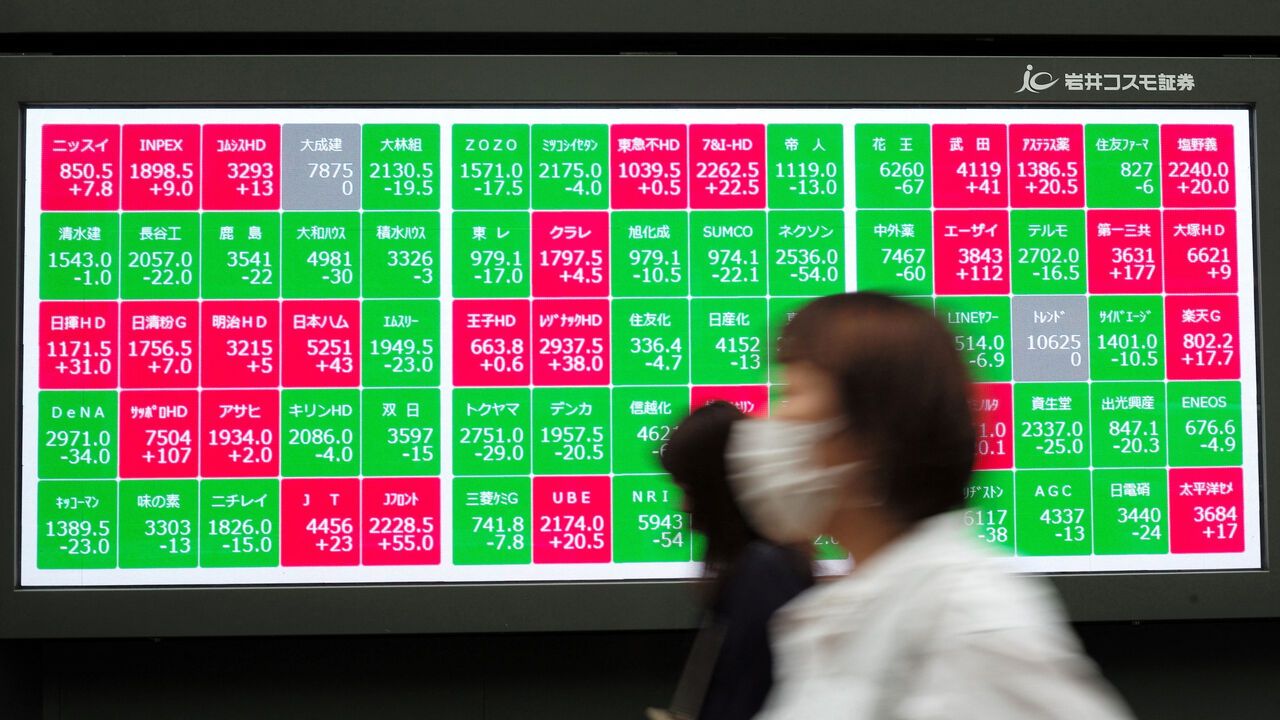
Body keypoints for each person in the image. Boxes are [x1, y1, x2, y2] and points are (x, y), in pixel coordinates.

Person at [727, 292, 1134, 720]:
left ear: (870, 428)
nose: (768, 422)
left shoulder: (967, 620)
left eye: (791, 393)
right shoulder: (858, 608)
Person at [651, 401, 814, 720]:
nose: (683, 506)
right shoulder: (758, 566)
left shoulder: (762, 573)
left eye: (688, 488)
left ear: (718, 489)